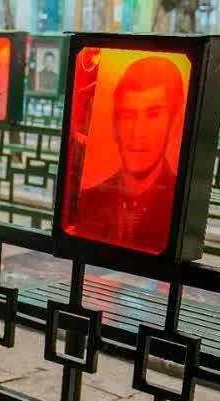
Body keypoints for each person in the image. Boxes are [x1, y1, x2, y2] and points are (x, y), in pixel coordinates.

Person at [73, 55, 183, 253]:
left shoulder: (180, 202)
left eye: (153, 115)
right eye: (128, 116)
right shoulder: (87, 201)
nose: (137, 132)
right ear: (115, 127)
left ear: (173, 124)